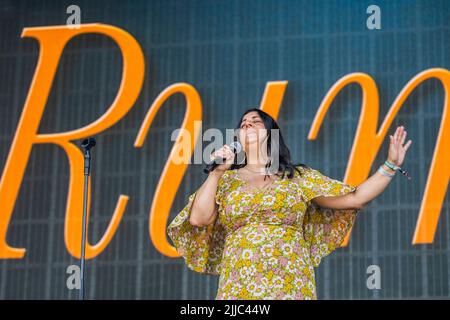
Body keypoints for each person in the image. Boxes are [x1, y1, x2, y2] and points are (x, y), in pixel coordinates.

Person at [167, 108, 412, 300]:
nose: (247, 124)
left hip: (290, 282)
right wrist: (217, 172)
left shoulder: (296, 176)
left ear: (271, 133)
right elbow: (198, 218)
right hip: (240, 282)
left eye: (256, 121)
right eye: (243, 124)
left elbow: (355, 198)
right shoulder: (226, 179)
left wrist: (390, 165)